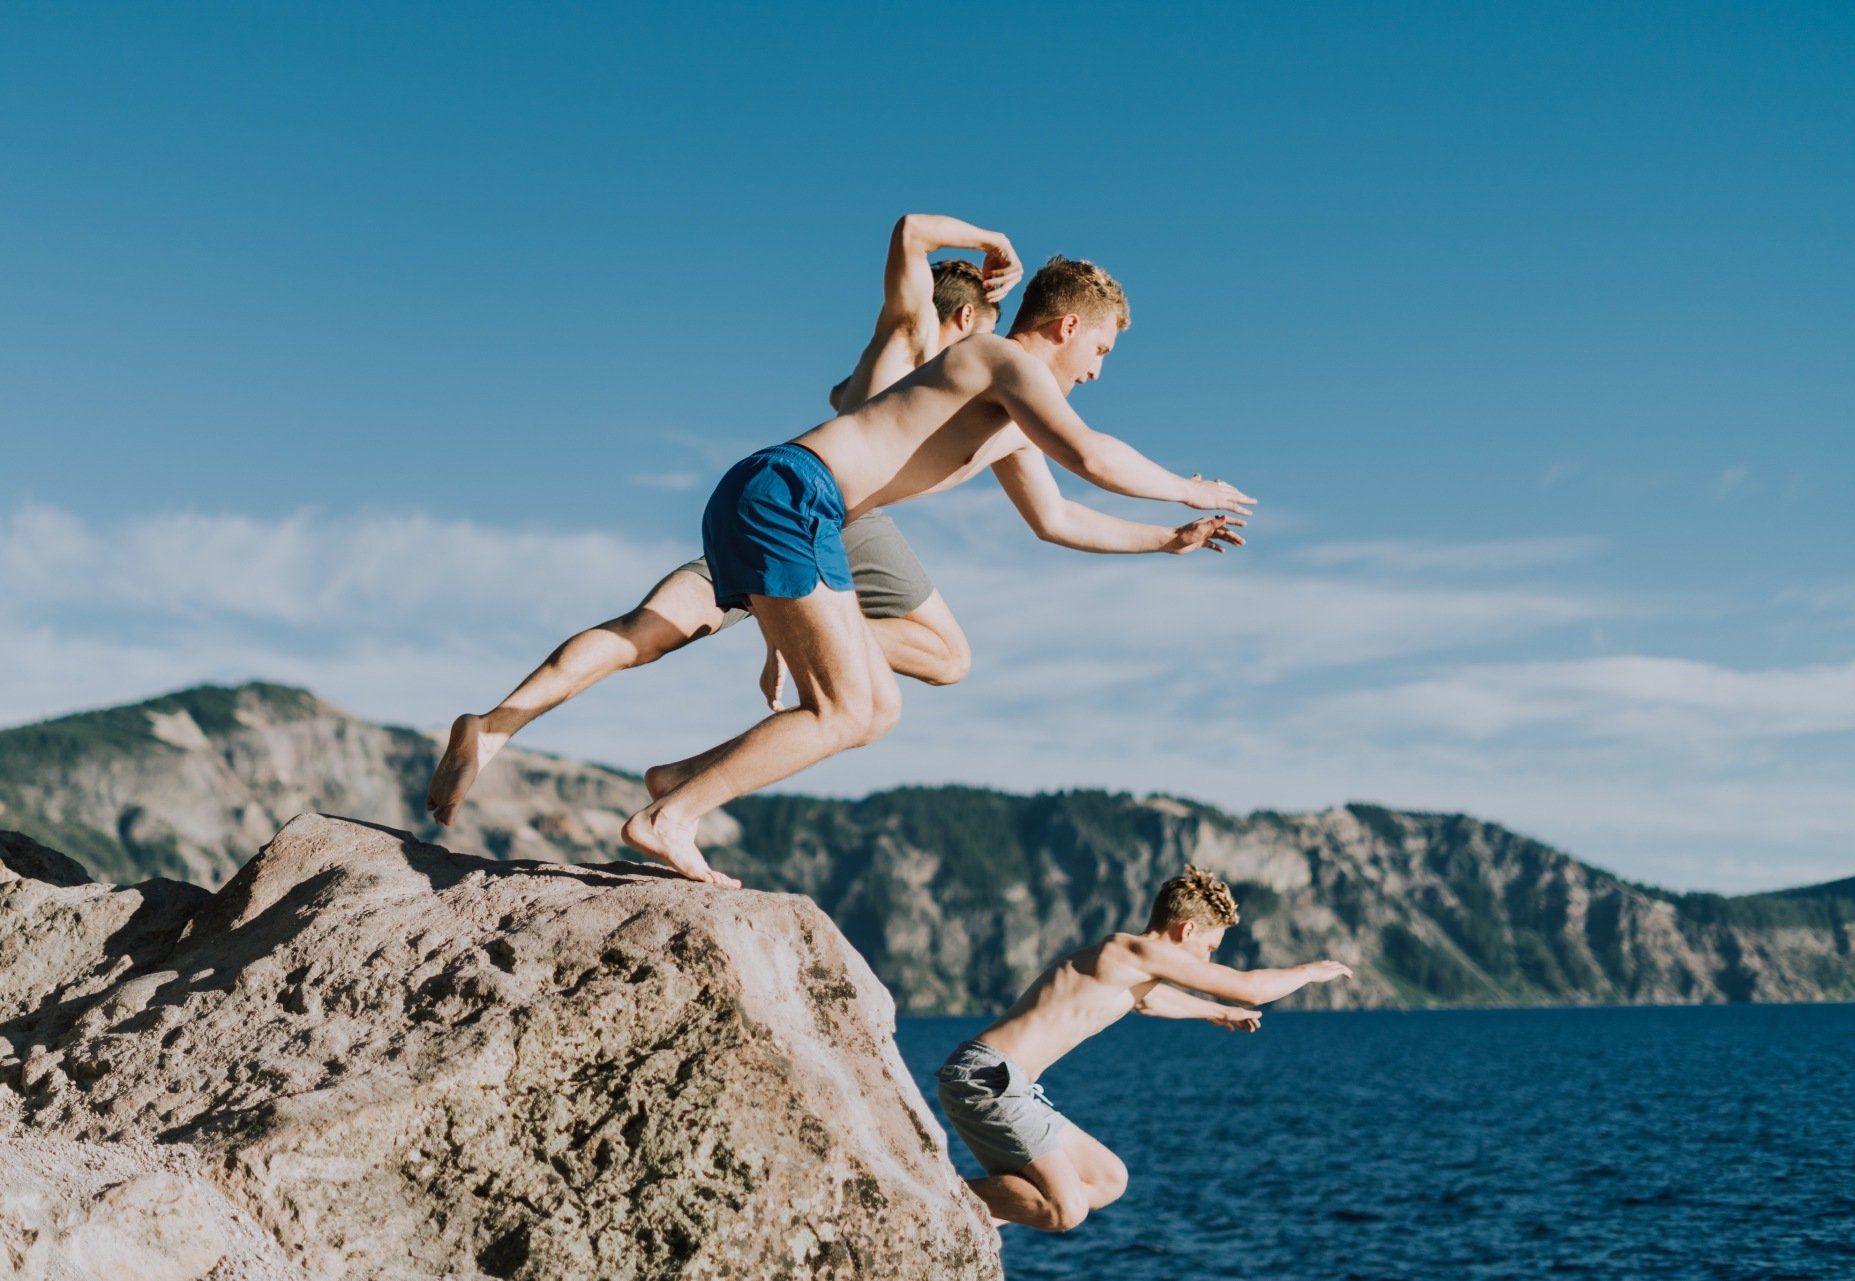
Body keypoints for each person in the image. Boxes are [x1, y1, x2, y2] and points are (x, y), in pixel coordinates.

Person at [622, 256, 1255, 885]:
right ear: (1066, 326)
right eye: (1102, 349)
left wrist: (1168, 539)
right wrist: (1186, 489)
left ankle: (681, 781)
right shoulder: (995, 359)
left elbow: (1056, 518)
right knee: (846, 707)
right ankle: (671, 817)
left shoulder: (1008, 414)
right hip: (791, 493)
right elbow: (1088, 452)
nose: (1096, 371)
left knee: (876, 710)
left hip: (798, 504)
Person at [425, 214, 1020, 829]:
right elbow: (911, 232)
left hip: (762, 507)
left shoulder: (883, 367)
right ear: (969, 321)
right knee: (949, 657)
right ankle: (718, 739)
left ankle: (494, 726)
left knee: (642, 631)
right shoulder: (919, 334)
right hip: (833, 517)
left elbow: (842, 394)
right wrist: (993, 244)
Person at [936, 866, 1354, 1231]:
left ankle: (964, 1217)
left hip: (1010, 1084)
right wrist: (1309, 972)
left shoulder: (1127, 966)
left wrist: (1217, 1012)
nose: (1206, 964)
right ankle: (931, 1193)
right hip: (987, 1078)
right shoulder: (1130, 949)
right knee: (1066, 1210)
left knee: (1106, 1179)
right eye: (1209, 950)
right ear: (1187, 930)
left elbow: (1149, 1001)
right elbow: (1251, 988)